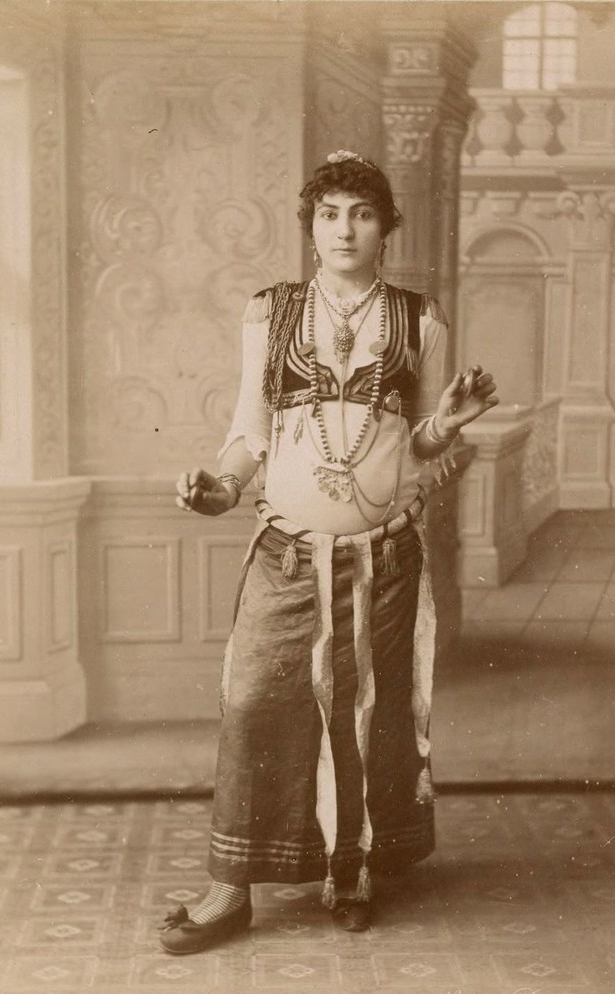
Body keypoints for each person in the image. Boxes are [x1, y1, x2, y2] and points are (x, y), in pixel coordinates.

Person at [159, 150, 498, 954]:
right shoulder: (271, 312)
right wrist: (219, 488)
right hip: (286, 550)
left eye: (362, 214)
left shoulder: (419, 318)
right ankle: (229, 887)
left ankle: (351, 869)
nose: (345, 229)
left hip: (385, 558)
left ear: (386, 228)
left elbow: (418, 445)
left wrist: (447, 423)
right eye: (330, 214)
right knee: (252, 704)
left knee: (363, 715)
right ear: (311, 227)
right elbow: (249, 433)